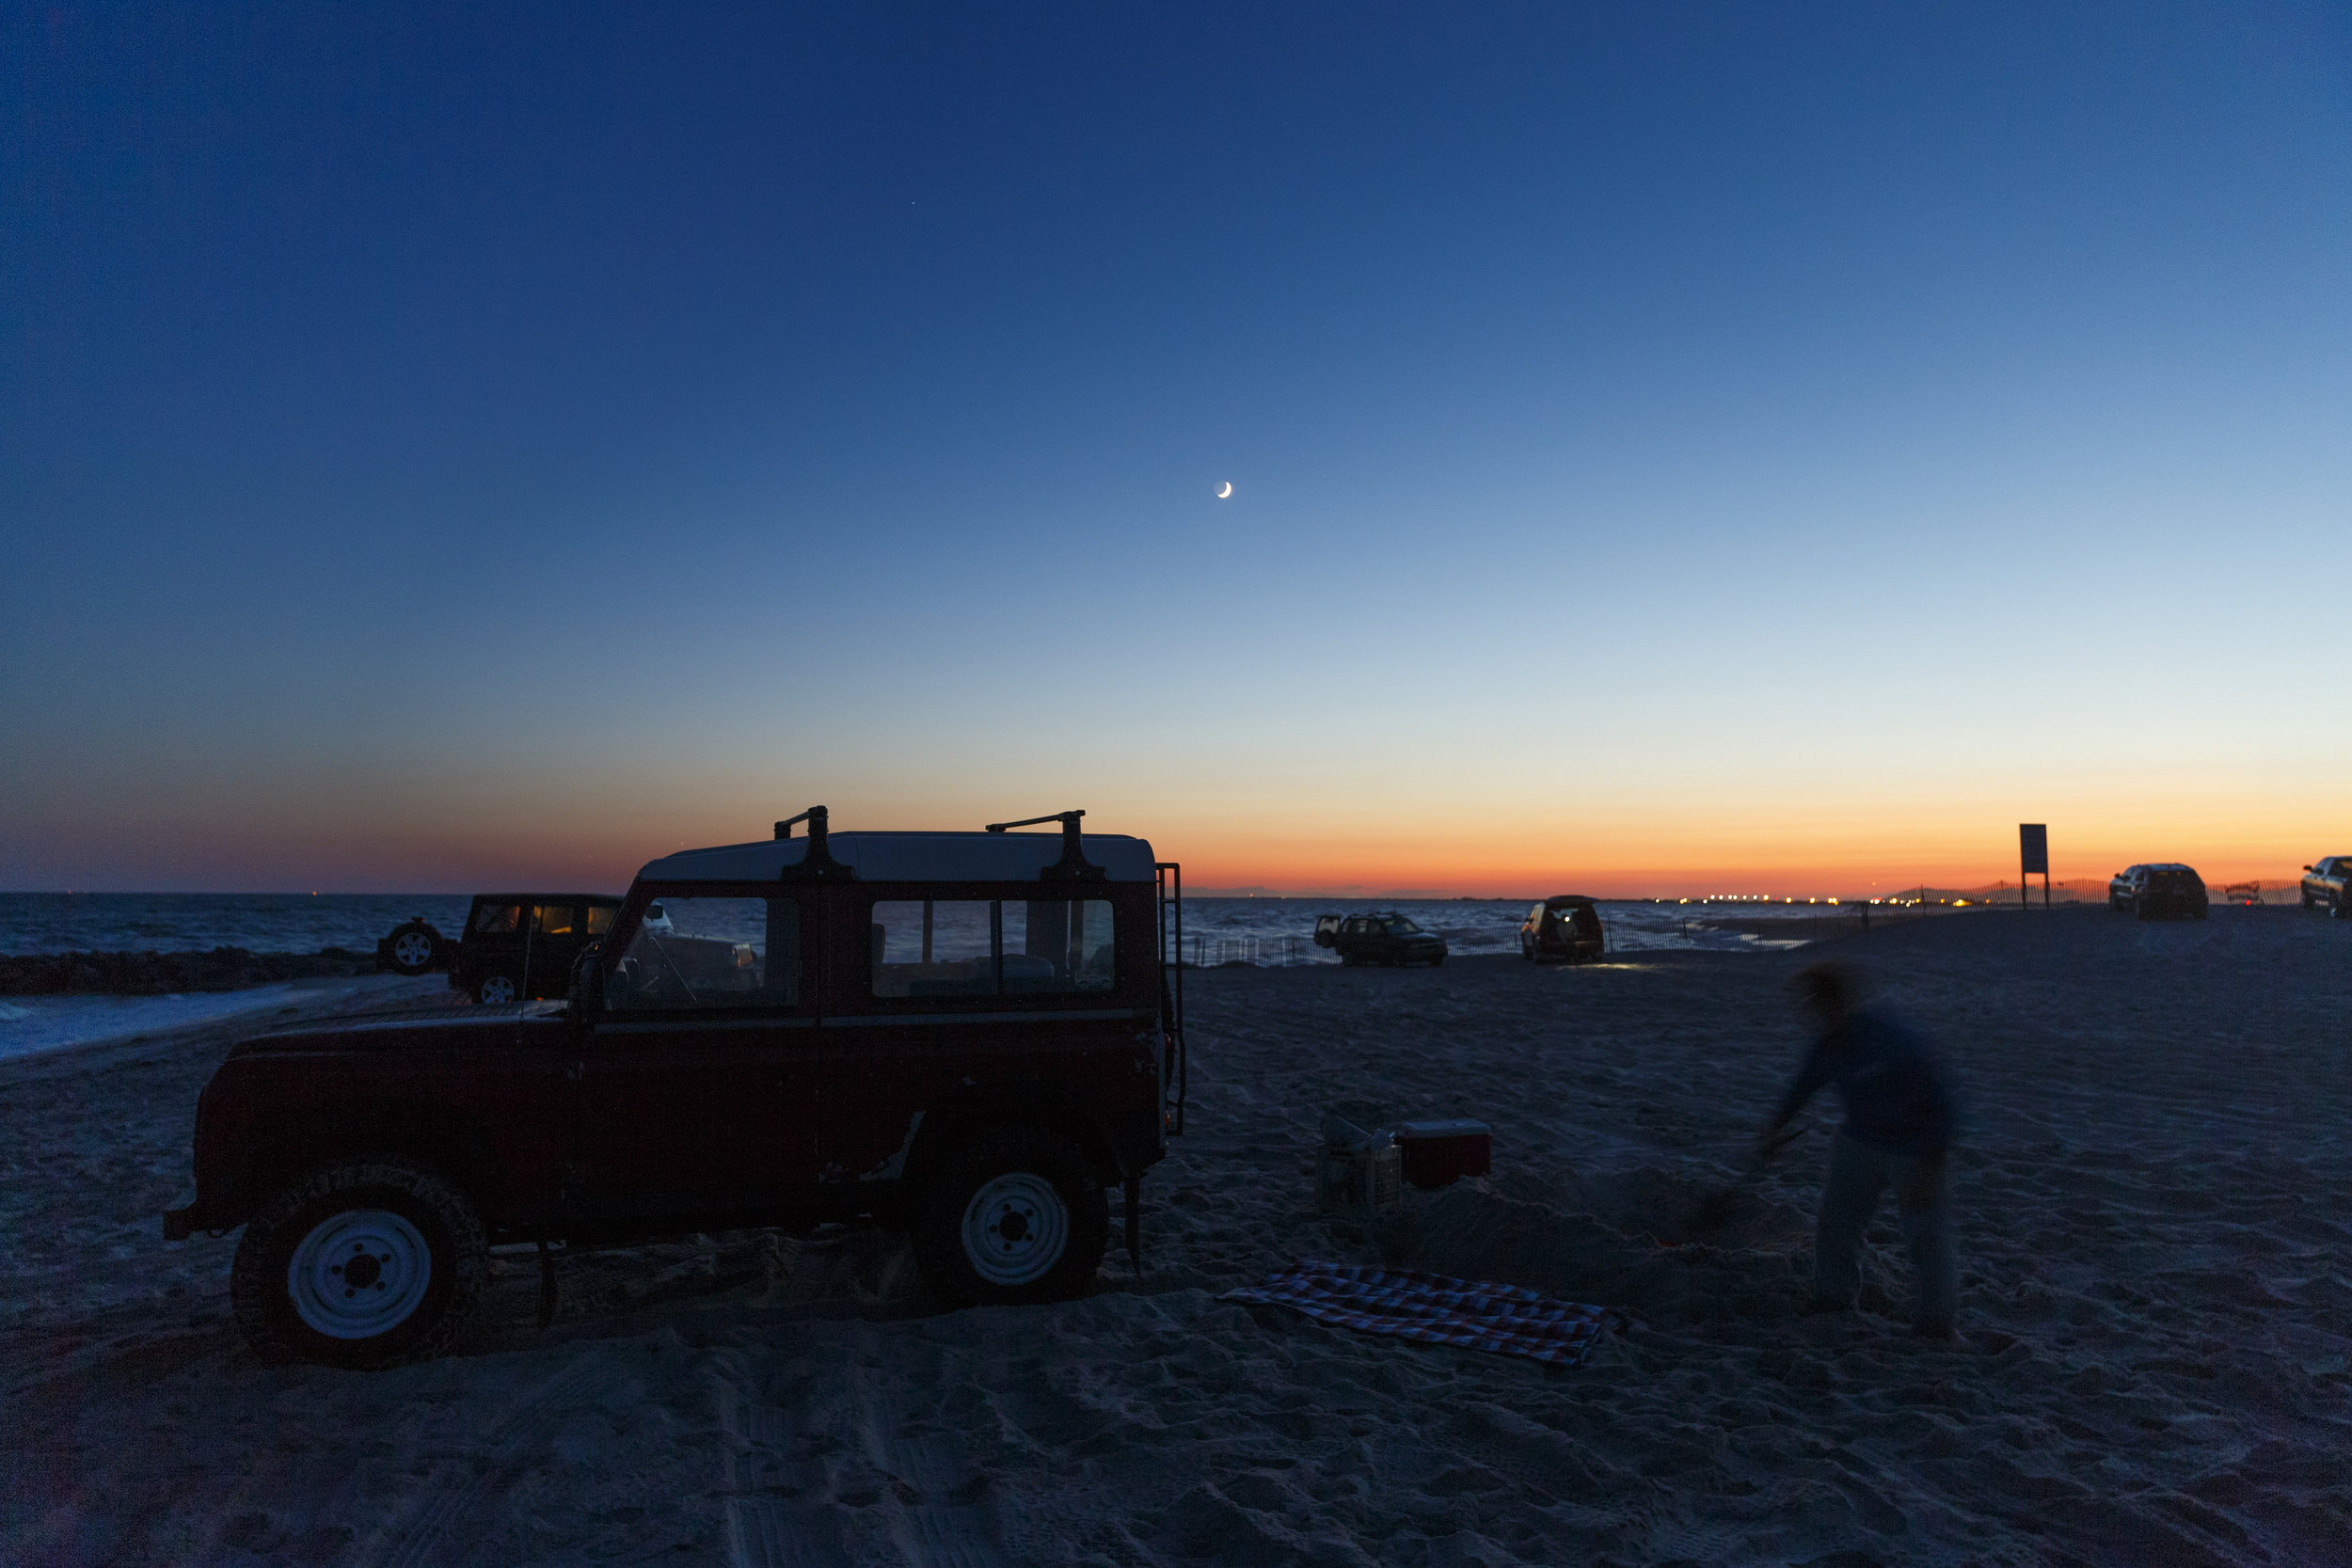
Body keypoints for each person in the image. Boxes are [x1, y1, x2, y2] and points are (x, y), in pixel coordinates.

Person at [1757, 961, 1961, 1341]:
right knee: (1836, 1224)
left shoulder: (1891, 1039)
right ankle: (1834, 1297)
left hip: (1913, 1147)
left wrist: (1933, 1159)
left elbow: (1941, 1100)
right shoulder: (1827, 1045)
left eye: (1816, 1003)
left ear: (1837, 1001)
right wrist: (1772, 1131)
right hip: (1858, 1142)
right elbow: (1803, 1086)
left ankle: (1937, 1323)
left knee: (1926, 1236)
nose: (1810, 1013)